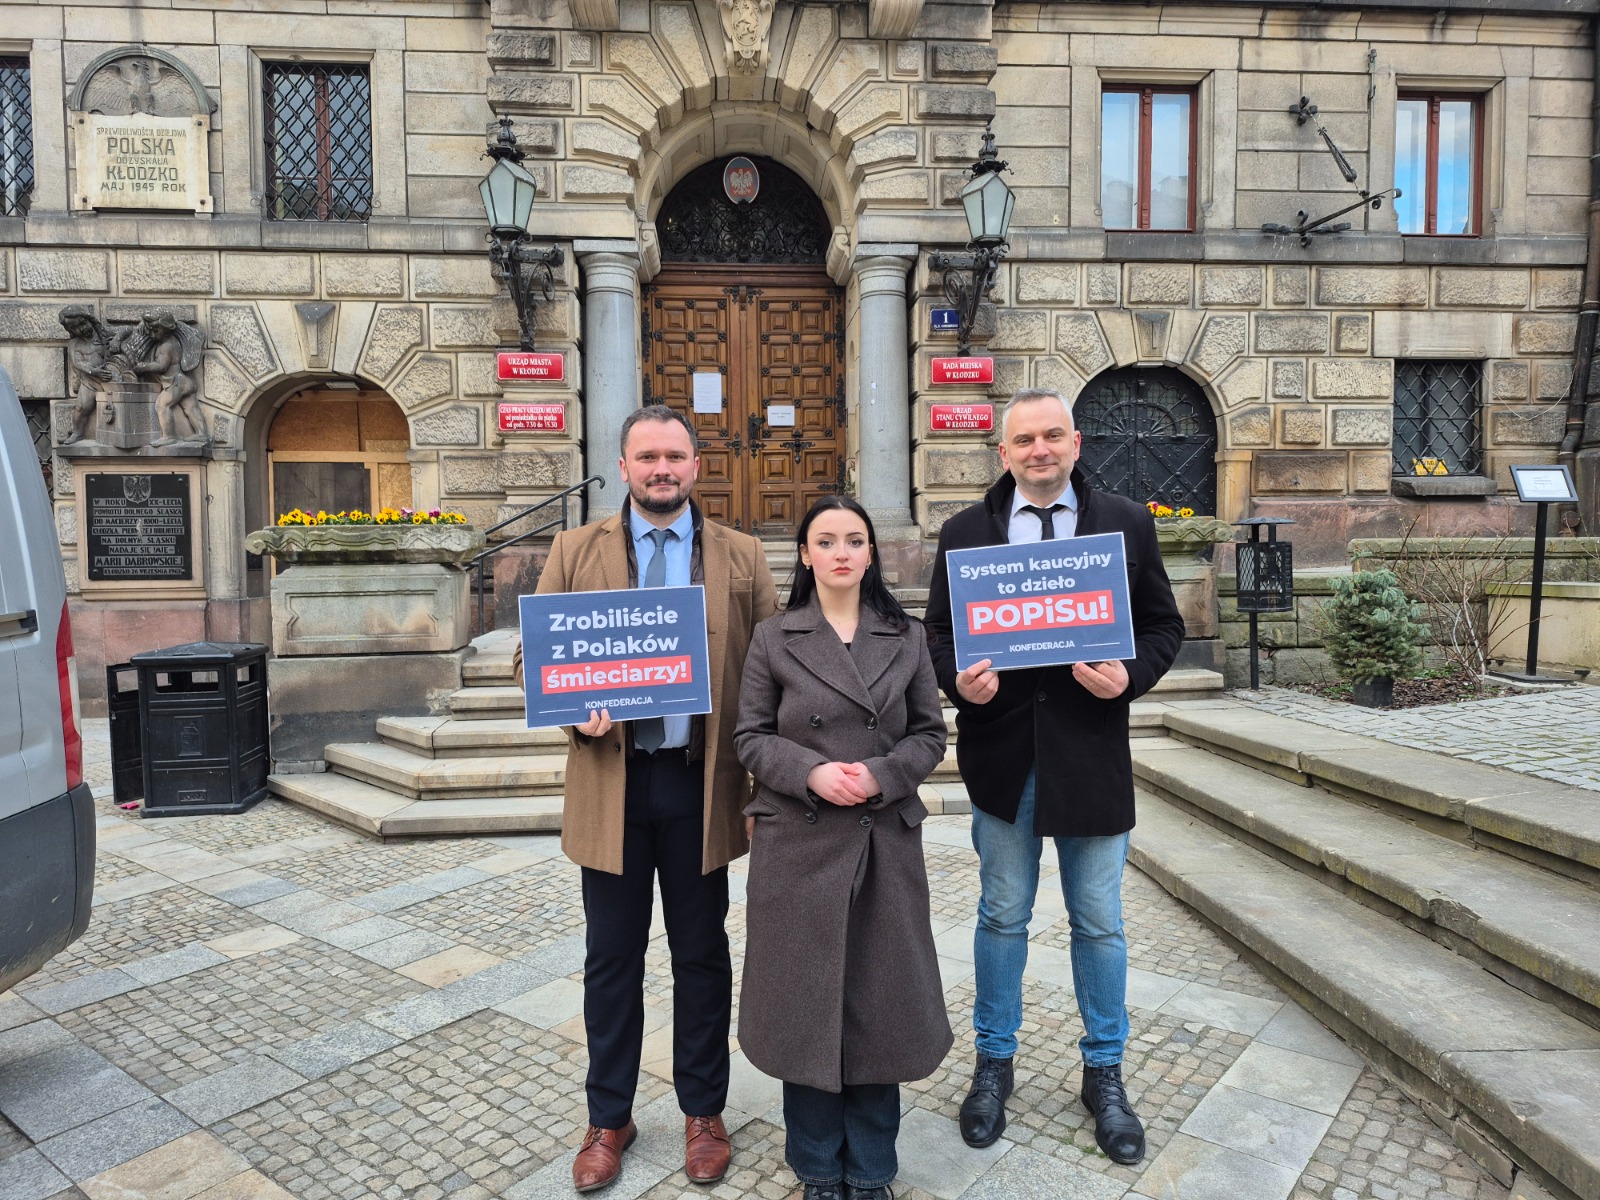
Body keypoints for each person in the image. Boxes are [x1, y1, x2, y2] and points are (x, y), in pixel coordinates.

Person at [513, 404, 779, 1193]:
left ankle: (703, 1110)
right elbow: (534, 662)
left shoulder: (740, 554)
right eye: (647, 457)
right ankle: (610, 1117)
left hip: (702, 787)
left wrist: (771, 785)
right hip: (614, 784)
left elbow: (771, 674)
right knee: (611, 961)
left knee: (702, 956)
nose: (662, 469)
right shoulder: (572, 547)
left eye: (675, 456)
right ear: (623, 466)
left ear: (697, 465)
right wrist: (571, 705)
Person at [923, 387, 1184, 1165]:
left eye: (1051, 436)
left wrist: (1130, 676)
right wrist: (955, 680)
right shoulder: (966, 531)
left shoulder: (1127, 523)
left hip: (1090, 756)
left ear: (1075, 443)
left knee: (1098, 920)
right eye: (1022, 440)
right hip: (1003, 757)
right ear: (1001, 453)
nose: (1038, 450)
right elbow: (939, 629)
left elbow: (1165, 623)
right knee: (1002, 915)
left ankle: (1103, 1072)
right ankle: (993, 1063)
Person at [734, 496, 952, 1200]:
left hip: (882, 838)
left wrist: (882, 776)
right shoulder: (774, 637)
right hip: (798, 842)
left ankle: (873, 1167)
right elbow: (750, 737)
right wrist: (812, 772)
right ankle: (818, 1166)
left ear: (869, 554)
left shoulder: (906, 635)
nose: (840, 552)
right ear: (804, 555)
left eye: (854, 540)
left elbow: (929, 734)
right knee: (805, 1004)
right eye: (824, 540)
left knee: (879, 1006)